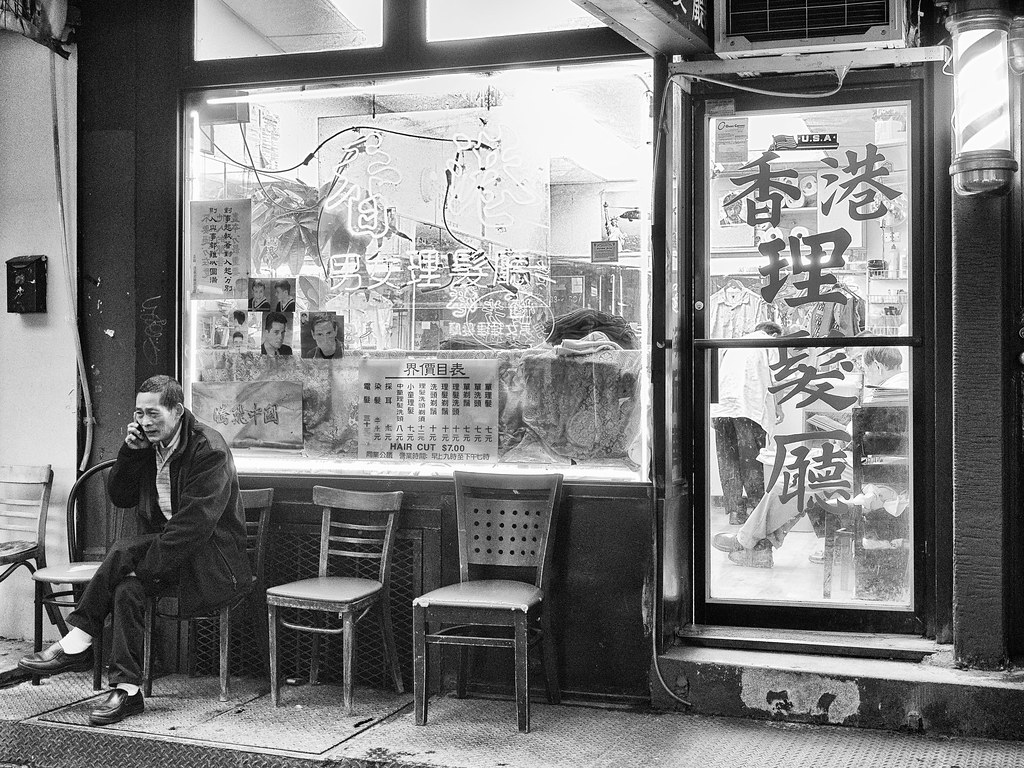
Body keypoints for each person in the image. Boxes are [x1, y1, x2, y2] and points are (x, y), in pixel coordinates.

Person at [18, 376, 252, 726]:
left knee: (124, 553)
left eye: (153, 413)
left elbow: (194, 527)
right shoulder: (148, 444)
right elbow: (121, 497)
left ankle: (77, 640)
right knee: (126, 588)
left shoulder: (209, 448)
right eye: (139, 413)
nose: (145, 421)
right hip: (168, 552)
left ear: (177, 410)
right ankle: (127, 691)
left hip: (210, 559)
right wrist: (131, 453)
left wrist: (141, 567)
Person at [713, 346, 907, 568]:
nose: (865, 375)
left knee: (792, 482)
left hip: (867, 472)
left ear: (878, 367)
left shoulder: (881, 394)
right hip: (880, 470)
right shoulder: (902, 388)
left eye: (866, 369)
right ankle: (759, 547)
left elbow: (857, 439)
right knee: (806, 479)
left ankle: (748, 542)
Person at [711, 320, 784, 526]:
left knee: (727, 459)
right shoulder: (770, 343)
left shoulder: (733, 344)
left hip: (722, 408)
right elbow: (777, 379)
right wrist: (779, 408)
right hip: (748, 407)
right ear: (774, 335)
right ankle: (756, 510)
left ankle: (735, 512)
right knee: (751, 459)